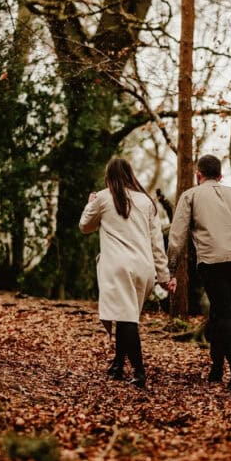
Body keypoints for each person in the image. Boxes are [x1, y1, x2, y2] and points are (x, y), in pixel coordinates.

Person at [166, 154, 231, 391]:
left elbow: (176, 237)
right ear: (220, 176)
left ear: (198, 175)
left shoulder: (190, 195)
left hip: (212, 261)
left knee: (223, 314)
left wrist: (171, 270)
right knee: (221, 311)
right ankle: (216, 369)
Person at [80, 157, 170, 387]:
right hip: (144, 268)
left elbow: (85, 227)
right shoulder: (147, 201)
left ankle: (139, 372)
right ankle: (118, 365)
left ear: (108, 176)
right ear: (131, 174)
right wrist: (163, 276)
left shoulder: (102, 197)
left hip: (118, 267)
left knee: (127, 319)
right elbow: (157, 242)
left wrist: (90, 203)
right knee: (125, 314)